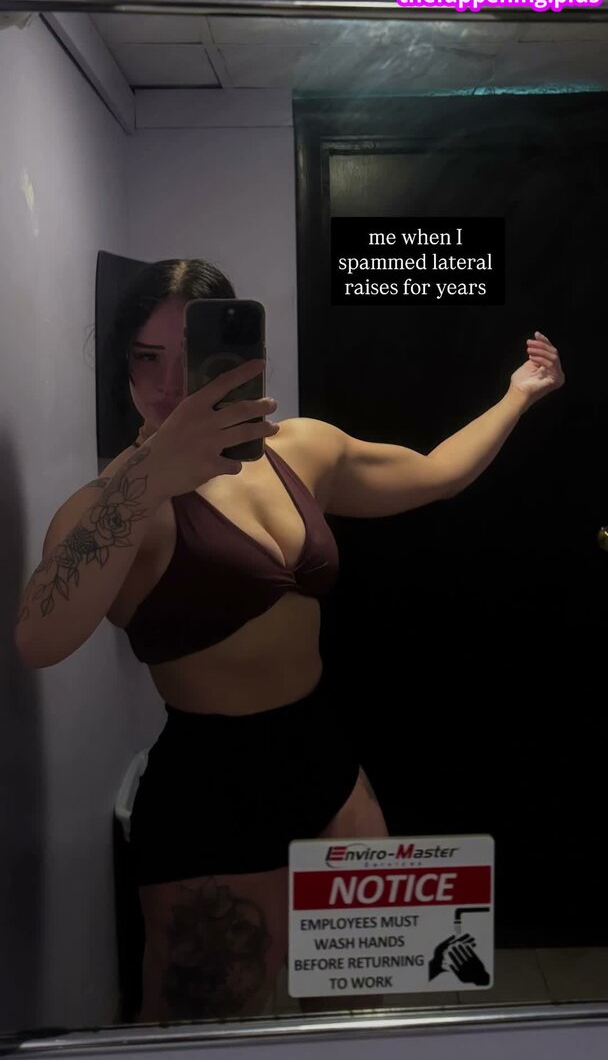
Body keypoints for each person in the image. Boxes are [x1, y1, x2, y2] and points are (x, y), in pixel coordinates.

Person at [14, 259, 565, 1023]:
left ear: (241, 359)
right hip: (210, 796)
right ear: (122, 367)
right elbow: (39, 638)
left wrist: (520, 393)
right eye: (146, 357)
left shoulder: (300, 449)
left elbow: (435, 471)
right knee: (207, 1033)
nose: (170, 385)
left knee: (353, 1009)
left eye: (192, 355)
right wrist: (148, 477)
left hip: (329, 768)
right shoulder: (111, 505)